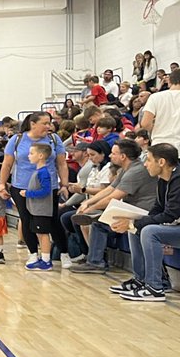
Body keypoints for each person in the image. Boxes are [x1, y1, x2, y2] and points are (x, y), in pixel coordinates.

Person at [70, 140, 157, 274]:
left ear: (123, 156)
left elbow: (113, 196)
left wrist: (91, 208)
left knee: (99, 223)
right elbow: (110, 189)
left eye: (113, 153)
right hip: (132, 210)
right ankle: (95, 260)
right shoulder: (127, 169)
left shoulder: (136, 171)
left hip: (142, 213)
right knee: (97, 222)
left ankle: (96, 262)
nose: (110, 156)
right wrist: (88, 203)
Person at [109, 143, 180, 302]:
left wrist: (135, 222)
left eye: (148, 160)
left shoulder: (178, 180)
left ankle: (155, 288)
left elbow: (170, 214)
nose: (145, 164)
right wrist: (136, 222)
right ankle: (141, 280)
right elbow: (158, 208)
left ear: (161, 162)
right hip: (175, 226)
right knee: (138, 228)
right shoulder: (163, 179)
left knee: (148, 231)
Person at [0, 113, 68, 268]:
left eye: (49, 123)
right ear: (33, 124)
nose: (48, 126)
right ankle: (33, 254)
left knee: (52, 221)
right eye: (45, 123)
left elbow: (62, 164)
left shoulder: (54, 139)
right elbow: (7, 164)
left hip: (48, 187)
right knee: (26, 219)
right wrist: (2, 184)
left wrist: (64, 184)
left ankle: (64, 253)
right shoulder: (17, 140)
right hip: (21, 186)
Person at [22, 143, 60, 270]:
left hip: (42, 210)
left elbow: (45, 191)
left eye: (31, 153)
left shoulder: (44, 172)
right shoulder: (38, 171)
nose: (29, 156)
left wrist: (28, 193)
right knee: (39, 233)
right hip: (35, 209)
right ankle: (43, 258)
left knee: (43, 234)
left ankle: (46, 260)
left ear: (41, 156)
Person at [141, 69, 180, 147]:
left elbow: (145, 123)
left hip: (160, 143)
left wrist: (156, 130)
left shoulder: (155, 97)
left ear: (169, 81)